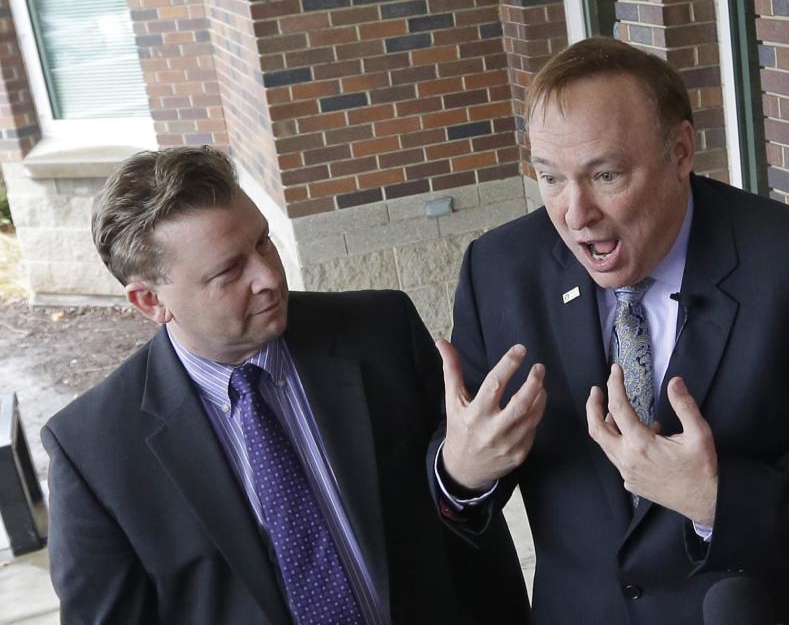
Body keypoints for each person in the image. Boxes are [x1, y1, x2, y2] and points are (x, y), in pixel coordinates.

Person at [428, 37, 789, 624]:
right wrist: (461, 471)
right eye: (550, 177)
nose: (573, 213)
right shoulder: (498, 270)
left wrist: (719, 499)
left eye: (606, 175)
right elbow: (458, 485)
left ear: (681, 151)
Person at [42, 146, 528, 625]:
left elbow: (462, 515)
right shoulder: (92, 451)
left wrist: (464, 477)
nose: (269, 277)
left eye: (263, 242)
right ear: (150, 300)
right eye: (229, 270)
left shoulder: (381, 330)